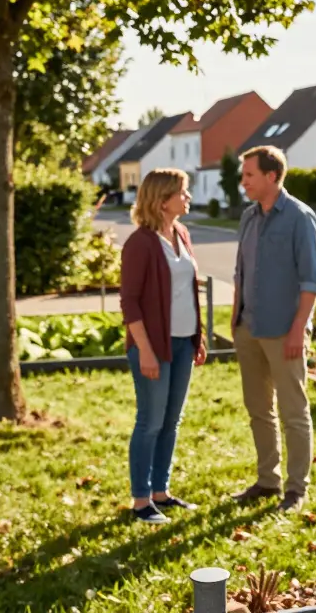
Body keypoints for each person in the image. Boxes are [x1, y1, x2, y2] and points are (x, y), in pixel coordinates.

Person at [230, 145, 316, 512]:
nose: (243, 183)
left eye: (249, 175)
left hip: (284, 332)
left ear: (272, 176)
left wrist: (298, 331)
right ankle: (267, 481)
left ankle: (296, 489)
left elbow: (312, 281)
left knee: (293, 412)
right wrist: (236, 316)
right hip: (248, 327)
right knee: (258, 409)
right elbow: (241, 270)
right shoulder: (248, 218)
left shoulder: (300, 218)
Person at [120, 168, 207, 524]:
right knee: (150, 421)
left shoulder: (182, 234)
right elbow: (130, 303)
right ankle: (141, 501)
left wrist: (197, 338)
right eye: (183, 192)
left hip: (184, 343)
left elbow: (187, 290)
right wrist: (145, 350)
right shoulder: (139, 243)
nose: (187, 198)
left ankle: (161, 492)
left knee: (171, 421)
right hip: (153, 346)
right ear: (161, 200)